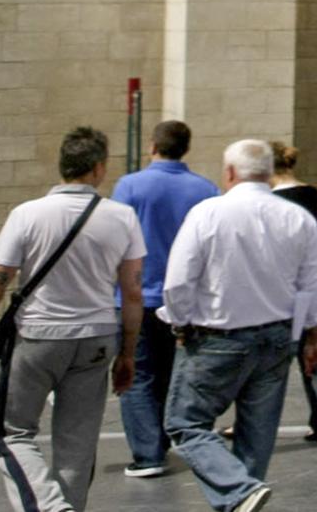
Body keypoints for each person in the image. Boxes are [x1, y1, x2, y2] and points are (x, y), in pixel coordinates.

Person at [0, 124, 145, 512]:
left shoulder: (27, 214)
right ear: (99, 169)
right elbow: (133, 292)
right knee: (78, 443)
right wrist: (128, 354)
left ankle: (50, 508)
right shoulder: (122, 217)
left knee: (10, 434)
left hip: (39, 336)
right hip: (97, 339)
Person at [156, 139, 317, 512]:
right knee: (257, 432)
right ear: (269, 173)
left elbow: (178, 281)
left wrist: (180, 322)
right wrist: (315, 337)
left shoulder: (208, 213)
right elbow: (313, 285)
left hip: (218, 335)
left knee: (185, 422)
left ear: (230, 172)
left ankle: (238, 490)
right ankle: (244, 495)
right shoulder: (297, 218)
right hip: (277, 336)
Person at [109, 119, 214, 482]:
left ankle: (148, 453)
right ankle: (165, 437)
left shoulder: (130, 186)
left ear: (153, 145)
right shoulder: (205, 189)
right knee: (173, 372)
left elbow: (114, 238)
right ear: (186, 147)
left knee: (137, 373)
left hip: (137, 296)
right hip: (186, 300)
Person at [265, 145, 317, 445]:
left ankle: (252, 420)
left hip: (284, 292)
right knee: (316, 357)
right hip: (316, 284)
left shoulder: (274, 203)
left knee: (270, 363)